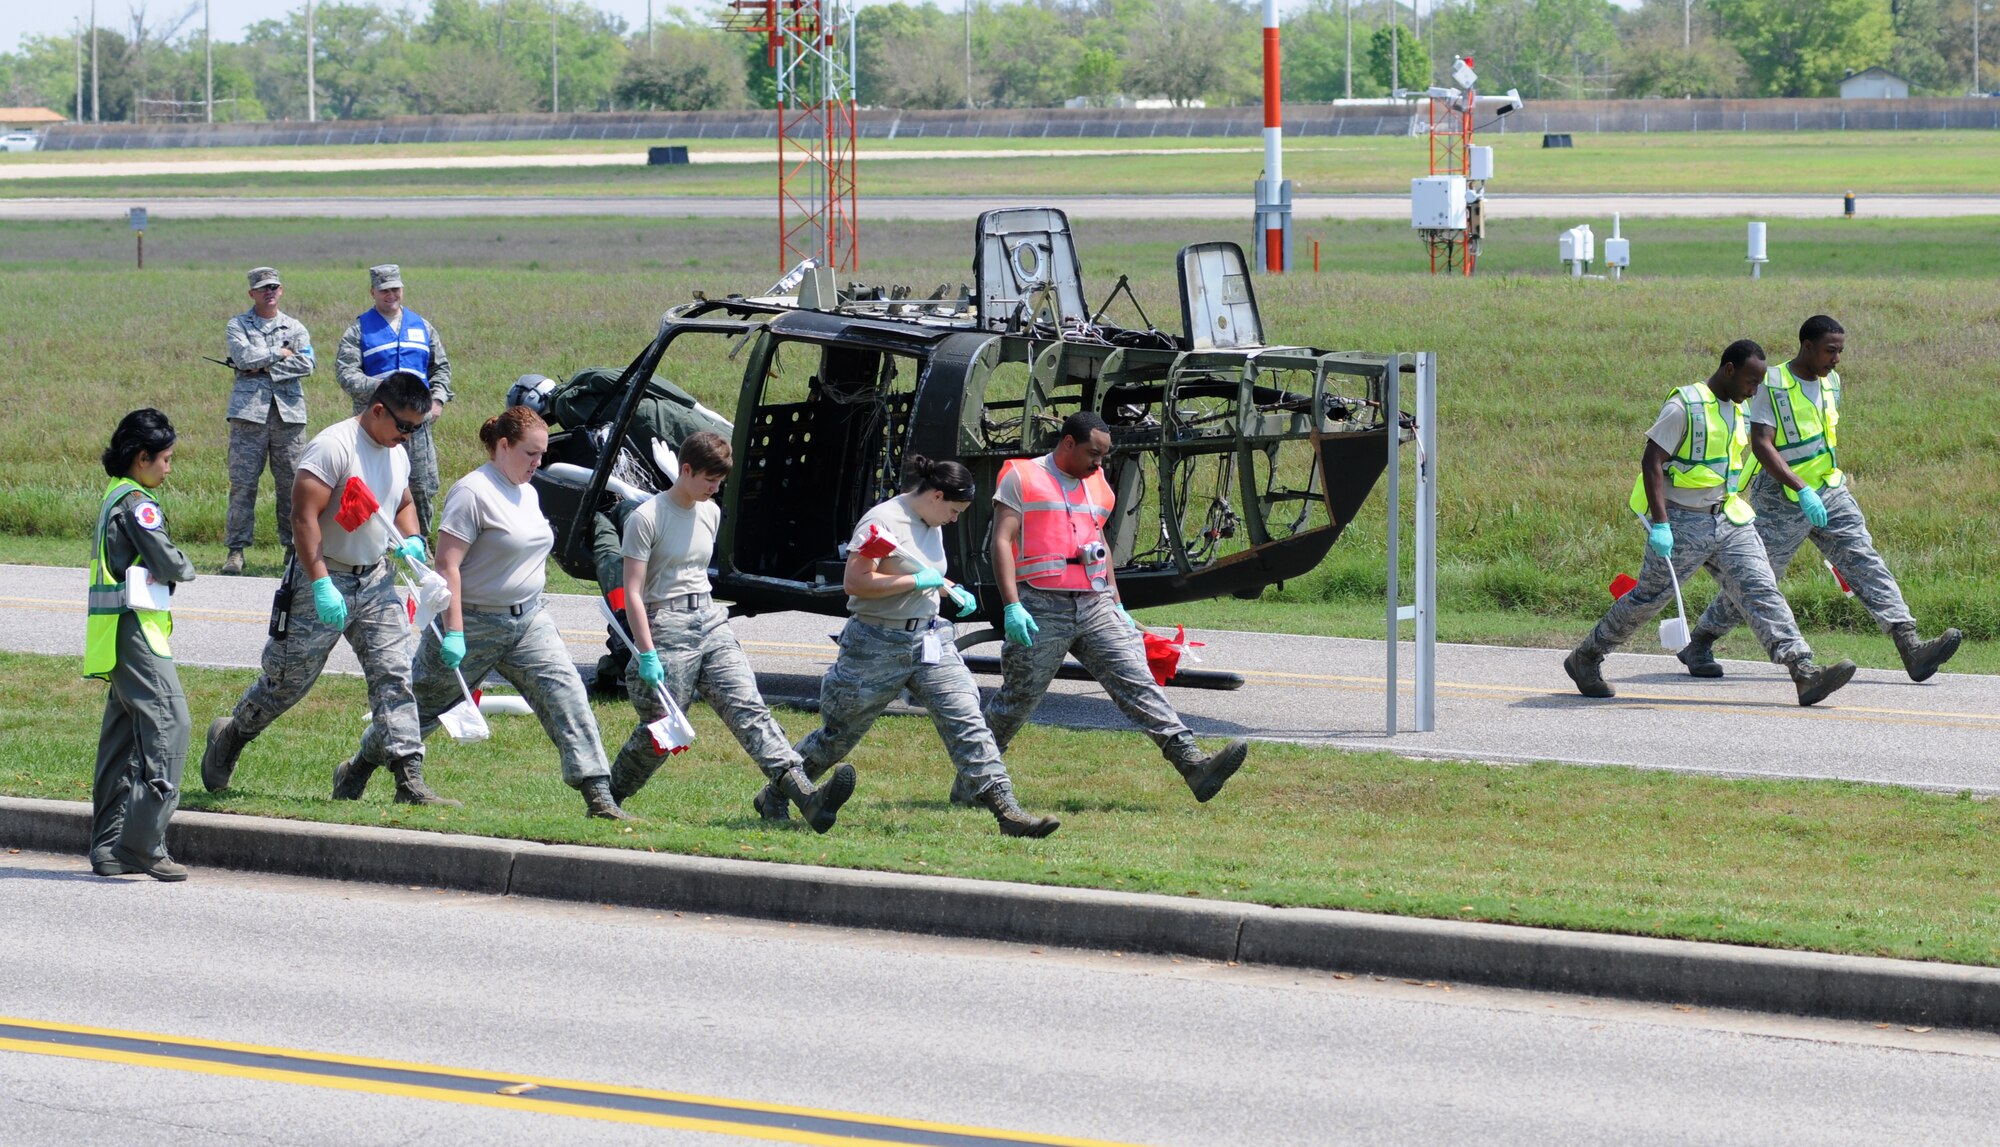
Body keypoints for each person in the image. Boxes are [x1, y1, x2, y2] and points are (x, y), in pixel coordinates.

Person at [333, 407, 630, 818]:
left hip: (528, 623)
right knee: (421, 709)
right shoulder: (472, 493)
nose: (537, 463)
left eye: (541, 455)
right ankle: (357, 769)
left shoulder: (528, 490)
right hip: (471, 622)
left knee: (567, 697)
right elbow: (447, 566)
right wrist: (453, 631)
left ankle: (599, 797)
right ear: (503, 446)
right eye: (530, 454)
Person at [769, 455, 1061, 838]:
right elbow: (856, 583)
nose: (954, 519)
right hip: (876, 642)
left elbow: (917, 569)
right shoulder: (882, 522)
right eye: (954, 510)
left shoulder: (931, 519)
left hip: (930, 640)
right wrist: (918, 583)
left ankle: (1008, 811)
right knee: (838, 734)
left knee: (968, 721)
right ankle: (776, 793)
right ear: (936, 495)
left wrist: (946, 586)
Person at [200, 371, 452, 804]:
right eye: (405, 426)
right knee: (288, 682)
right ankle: (233, 734)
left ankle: (408, 779)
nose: (409, 437)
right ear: (377, 411)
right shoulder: (333, 447)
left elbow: (405, 501)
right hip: (324, 575)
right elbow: (303, 518)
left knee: (395, 675)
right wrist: (319, 583)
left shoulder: (395, 452)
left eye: (417, 428)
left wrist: (411, 539)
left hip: (374, 580)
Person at [1563, 339, 1858, 706]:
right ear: (1729, 370)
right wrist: (1660, 524)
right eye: (1750, 382)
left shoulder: (1739, 409)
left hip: (1729, 518)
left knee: (1761, 589)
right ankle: (1587, 657)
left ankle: (1804, 671)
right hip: (1681, 522)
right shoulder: (1684, 406)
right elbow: (1652, 461)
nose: (1754, 392)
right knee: (1648, 600)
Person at [980, 411, 1248, 804]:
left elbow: (1098, 541)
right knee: (1016, 701)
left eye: (1104, 456)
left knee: (1135, 682)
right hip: (1039, 604)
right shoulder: (1022, 477)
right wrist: (1012, 606)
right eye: (1093, 453)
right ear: (1068, 443)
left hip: (1095, 603)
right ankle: (975, 779)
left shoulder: (1097, 482)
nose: (1098, 463)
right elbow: (1002, 541)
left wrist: (1118, 605)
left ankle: (1194, 765)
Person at [1678, 316, 1961, 683]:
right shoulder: (1772, 383)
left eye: (1840, 351)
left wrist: (1819, 489)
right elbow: (1761, 444)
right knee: (1757, 579)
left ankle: (1910, 645)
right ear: (1807, 346)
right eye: (1830, 350)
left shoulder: (1832, 384)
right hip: (1783, 497)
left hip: (1829, 491)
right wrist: (1800, 488)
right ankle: (1700, 642)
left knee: (1863, 560)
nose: (1836, 359)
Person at [613, 431, 854, 831]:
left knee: (749, 709)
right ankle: (608, 794)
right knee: (663, 731)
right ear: (685, 469)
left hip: (709, 620)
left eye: (720, 481)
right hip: (664, 625)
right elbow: (634, 593)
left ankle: (804, 795)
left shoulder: (710, 512)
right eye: (709, 479)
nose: (714, 488)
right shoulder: (646, 518)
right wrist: (647, 653)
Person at [86, 409, 199, 881]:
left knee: (123, 740)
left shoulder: (114, 495)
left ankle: (108, 847)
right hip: (137, 633)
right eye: (166, 459)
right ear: (141, 458)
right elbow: (171, 563)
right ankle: (141, 844)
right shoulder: (138, 503)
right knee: (171, 725)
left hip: (114, 632)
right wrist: (185, 567)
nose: (170, 468)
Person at [334, 264, 453, 540]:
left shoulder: (422, 326)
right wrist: (382, 390)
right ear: (373, 292)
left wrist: (437, 401)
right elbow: (345, 372)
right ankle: (372, 545)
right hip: (377, 425)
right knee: (372, 483)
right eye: (385, 290)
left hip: (418, 426)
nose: (391, 295)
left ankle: (420, 545)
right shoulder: (359, 329)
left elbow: (441, 368)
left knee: (421, 485)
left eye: (395, 289)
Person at [222, 265, 314, 575]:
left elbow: (308, 363)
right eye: (263, 288)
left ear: (281, 290)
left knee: (292, 485)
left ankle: (293, 550)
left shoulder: (295, 327)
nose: (270, 292)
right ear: (252, 293)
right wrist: (280, 351)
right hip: (249, 415)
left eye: (274, 286)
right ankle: (235, 552)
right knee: (243, 485)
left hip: (288, 416)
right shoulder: (238, 325)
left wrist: (264, 367)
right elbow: (243, 357)